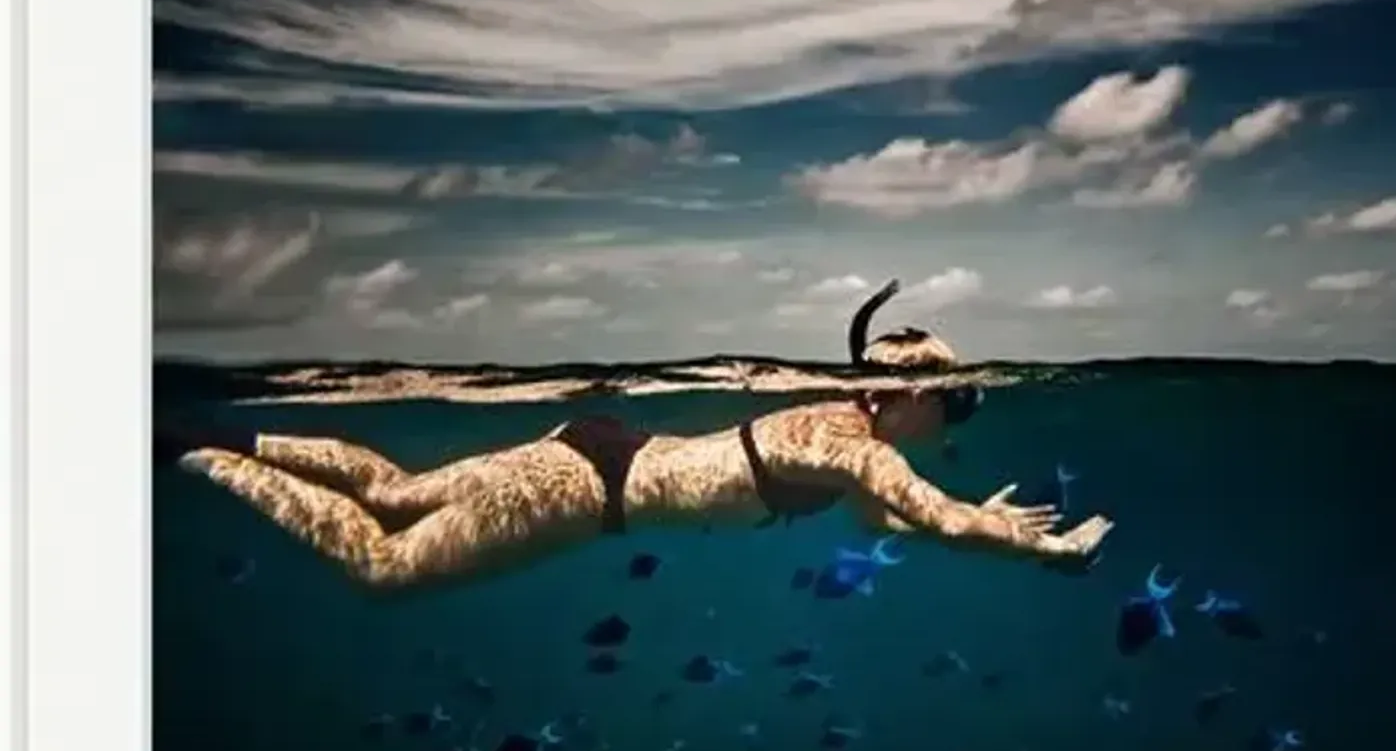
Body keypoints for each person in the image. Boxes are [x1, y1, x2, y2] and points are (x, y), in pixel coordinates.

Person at [158, 279, 1114, 595]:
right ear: (899, 397)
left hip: (599, 451)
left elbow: (898, 524)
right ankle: (203, 451)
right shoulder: (852, 440)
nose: (956, 414)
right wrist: (1035, 548)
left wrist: (967, 520)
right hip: (591, 490)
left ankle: (224, 439)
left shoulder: (850, 444)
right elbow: (929, 519)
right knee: (382, 562)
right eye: (954, 398)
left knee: (403, 490)